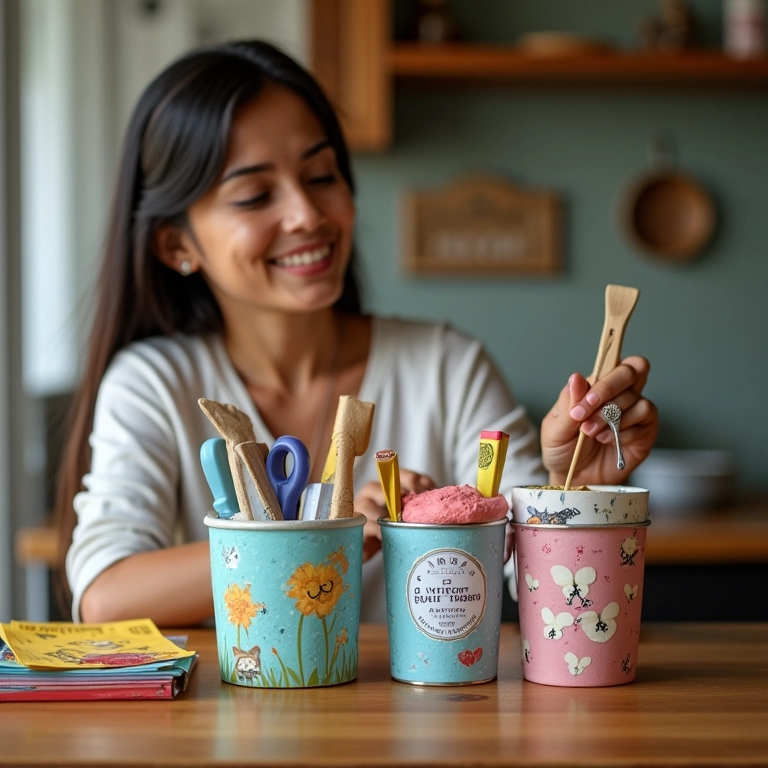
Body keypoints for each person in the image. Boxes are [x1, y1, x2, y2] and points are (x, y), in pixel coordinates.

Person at [55, 40, 658, 626]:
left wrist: (571, 490)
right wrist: (329, 535)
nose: (307, 215)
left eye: (320, 176)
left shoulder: (447, 366)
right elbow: (106, 597)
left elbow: (537, 591)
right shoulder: (152, 384)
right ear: (176, 243)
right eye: (256, 194)